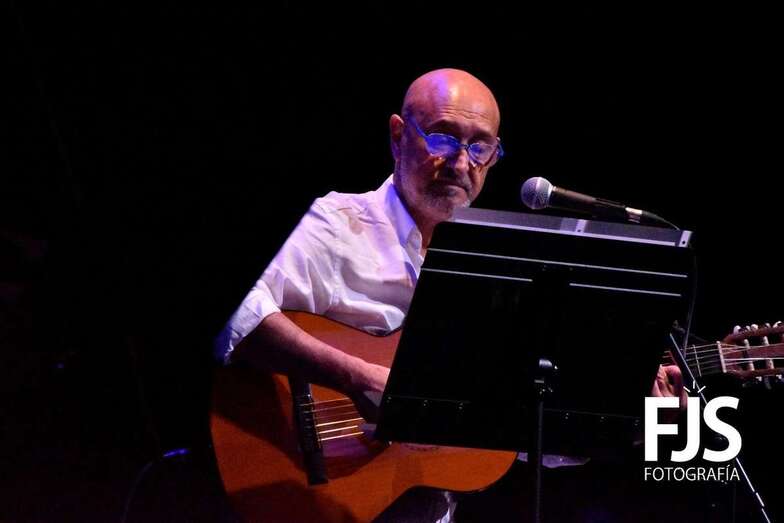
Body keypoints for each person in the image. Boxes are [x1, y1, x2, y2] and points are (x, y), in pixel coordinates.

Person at [215, 68, 684, 522]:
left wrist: (631, 419)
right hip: (301, 488)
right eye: (442, 138)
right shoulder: (333, 226)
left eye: (480, 147)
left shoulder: (494, 270)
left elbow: (512, 426)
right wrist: (357, 377)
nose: (461, 164)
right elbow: (233, 314)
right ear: (398, 136)